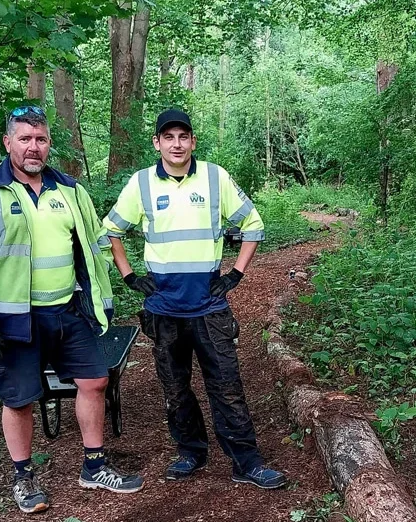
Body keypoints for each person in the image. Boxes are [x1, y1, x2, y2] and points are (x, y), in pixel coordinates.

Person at [0, 105, 144, 514]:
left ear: (49, 143)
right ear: (8, 143)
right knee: (19, 398)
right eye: (24, 139)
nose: (33, 147)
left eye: (40, 139)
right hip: (13, 318)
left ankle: (94, 466)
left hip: (69, 310)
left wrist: (97, 296)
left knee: (95, 381)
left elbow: (95, 246)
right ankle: (23, 477)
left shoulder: (71, 190)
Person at [104, 109, 287, 489]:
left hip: (209, 307)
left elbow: (253, 225)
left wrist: (236, 273)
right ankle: (190, 452)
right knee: (175, 388)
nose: (176, 144)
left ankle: (247, 462)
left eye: (183, 136)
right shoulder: (140, 185)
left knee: (226, 384)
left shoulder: (215, 177)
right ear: (157, 143)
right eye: (168, 137)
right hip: (164, 309)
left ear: (192, 141)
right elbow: (110, 232)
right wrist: (129, 276)